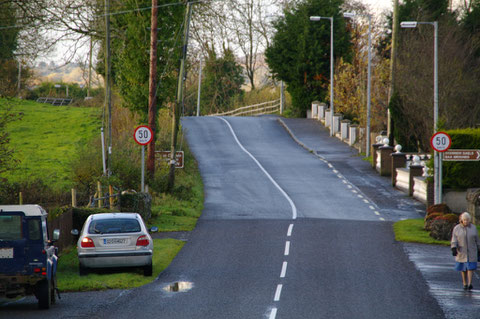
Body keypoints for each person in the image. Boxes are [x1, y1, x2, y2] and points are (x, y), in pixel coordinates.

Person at [451, 212, 480, 290]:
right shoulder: (456, 228)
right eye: (464, 220)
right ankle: (464, 283)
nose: (466, 222)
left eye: (467, 220)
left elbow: (477, 240)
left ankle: (470, 283)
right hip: (461, 252)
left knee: (470, 268)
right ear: (461, 220)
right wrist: (453, 248)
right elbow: (454, 239)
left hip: (472, 251)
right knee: (463, 269)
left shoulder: (473, 228)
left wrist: (479, 249)